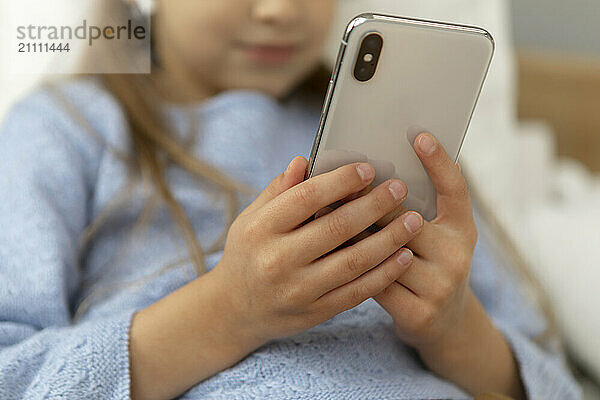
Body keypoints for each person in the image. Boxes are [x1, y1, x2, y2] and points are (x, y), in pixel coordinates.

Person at [0, 1, 581, 399]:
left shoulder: (398, 137)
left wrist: (454, 330)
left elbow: (549, 381)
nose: (279, 9)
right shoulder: (65, 129)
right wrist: (229, 312)